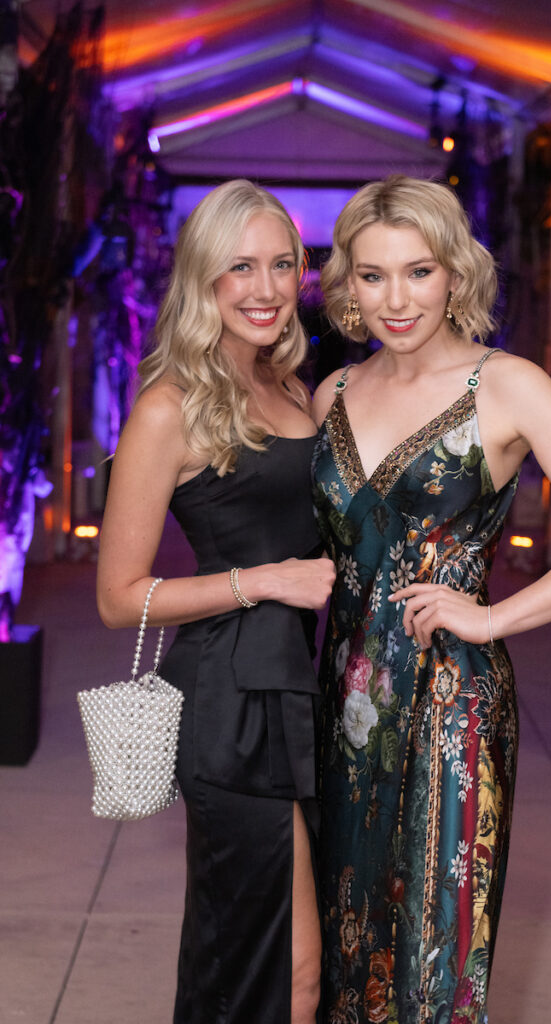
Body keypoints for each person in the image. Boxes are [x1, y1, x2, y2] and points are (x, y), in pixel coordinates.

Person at [311, 175, 551, 1024]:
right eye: (372, 275)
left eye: (418, 272)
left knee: (433, 957)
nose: (396, 299)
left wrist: (493, 616)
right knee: (348, 952)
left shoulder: (505, 387)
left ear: (455, 275)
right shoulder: (333, 396)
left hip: (450, 706)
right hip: (343, 700)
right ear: (347, 286)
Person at [96, 179, 336, 1024]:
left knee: (295, 963)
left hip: (305, 690)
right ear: (204, 278)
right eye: (241, 267)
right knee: (269, 964)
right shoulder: (170, 405)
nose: (266, 288)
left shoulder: (293, 385)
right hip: (230, 703)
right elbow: (119, 599)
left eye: (282, 264)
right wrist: (265, 581)